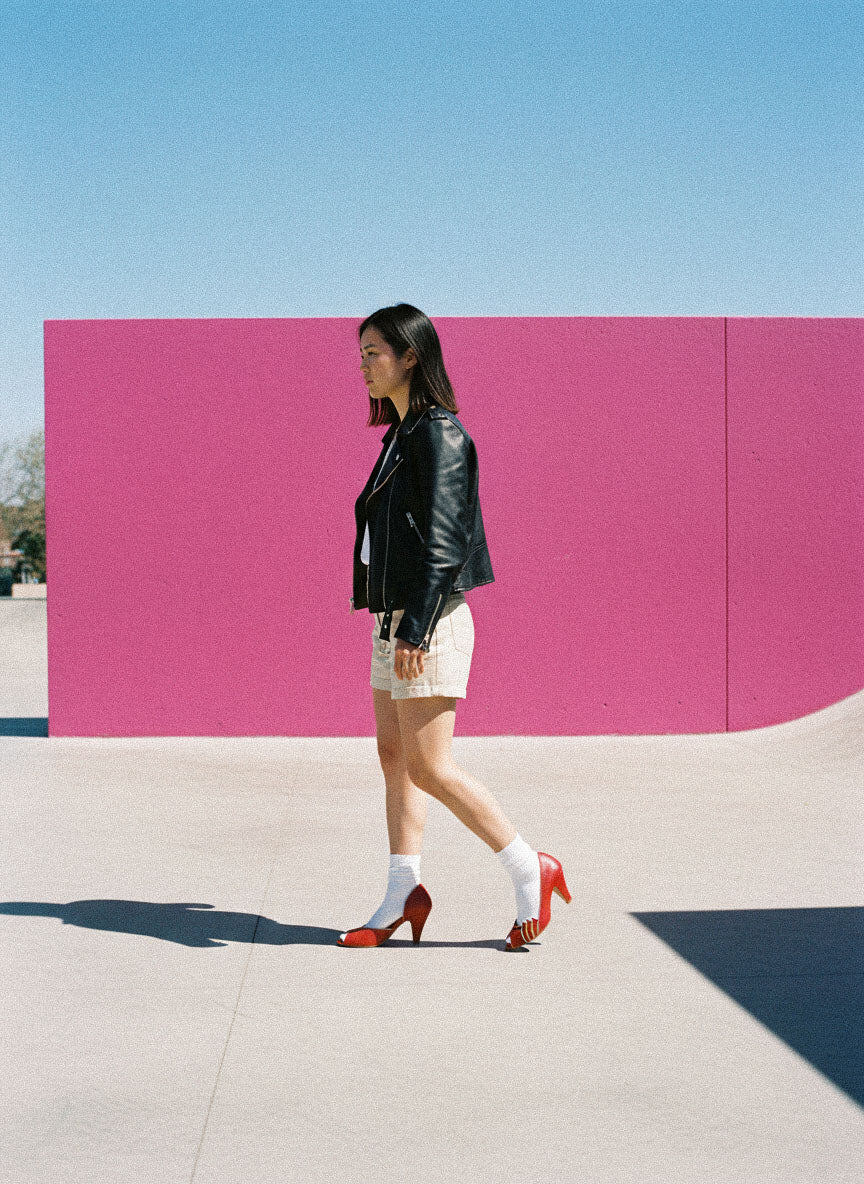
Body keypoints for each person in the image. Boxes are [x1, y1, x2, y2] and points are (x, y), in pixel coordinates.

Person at [338, 303, 571, 950]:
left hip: (428, 621)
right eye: (361, 354)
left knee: (431, 766)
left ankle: (531, 868)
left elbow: (445, 545)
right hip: (394, 619)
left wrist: (414, 628)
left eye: (374, 353)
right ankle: (403, 892)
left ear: (411, 356)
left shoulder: (440, 435)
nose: (363, 365)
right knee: (394, 758)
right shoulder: (400, 436)